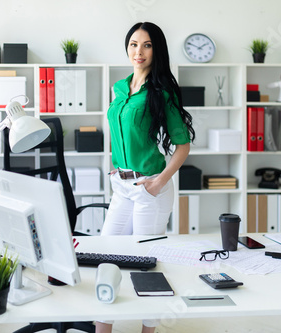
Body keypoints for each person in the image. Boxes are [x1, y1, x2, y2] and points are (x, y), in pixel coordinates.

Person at [96, 22, 195, 333]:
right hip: (121, 186)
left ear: (157, 50)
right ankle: (103, 327)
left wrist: (160, 181)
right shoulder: (120, 88)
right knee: (106, 258)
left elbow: (183, 145)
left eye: (147, 45)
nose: (139, 51)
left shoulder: (161, 92)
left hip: (150, 187)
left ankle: (148, 329)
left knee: (146, 266)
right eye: (134, 44)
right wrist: (115, 164)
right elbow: (116, 128)